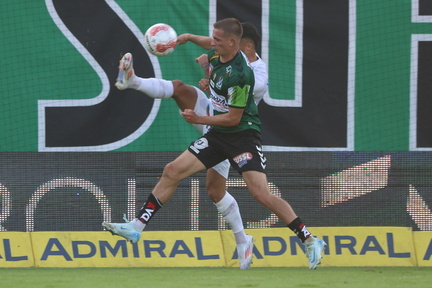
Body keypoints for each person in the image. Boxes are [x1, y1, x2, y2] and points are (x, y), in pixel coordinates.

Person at [103, 18, 326, 270]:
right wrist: (189, 40)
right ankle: (136, 227)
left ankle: (309, 239)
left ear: (239, 45)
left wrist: (198, 116)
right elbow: (210, 46)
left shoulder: (247, 76)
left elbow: (233, 117)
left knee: (258, 193)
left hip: (240, 134)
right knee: (173, 170)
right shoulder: (220, 53)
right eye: (214, 39)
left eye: (218, 40)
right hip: (216, 131)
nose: (212, 43)